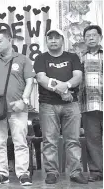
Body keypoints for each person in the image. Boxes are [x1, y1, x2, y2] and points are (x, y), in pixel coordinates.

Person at [34, 28, 88, 184]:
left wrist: (67, 86)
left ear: (62, 40)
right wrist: (62, 90)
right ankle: (51, 172)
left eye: (56, 38)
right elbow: (41, 78)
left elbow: (78, 76)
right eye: (50, 38)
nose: (53, 40)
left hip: (71, 104)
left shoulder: (72, 57)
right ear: (46, 41)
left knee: (73, 140)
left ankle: (75, 172)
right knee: (49, 141)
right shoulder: (41, 58)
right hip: (48, 105)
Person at [0, 29, 34, 186]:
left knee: (20, 141)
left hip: (18, 109)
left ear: (10, 40)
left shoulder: (23, 59)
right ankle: (2, 173)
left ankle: (23, 174)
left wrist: (24, 101)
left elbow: (30, 82)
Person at [80, 25, 103, 182]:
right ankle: (96, 172)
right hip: (88, 104)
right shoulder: (79, 57)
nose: (91, 38)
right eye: (88, 36)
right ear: (84, 39)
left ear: (100, 37)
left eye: (94, 35)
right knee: (92, 140)